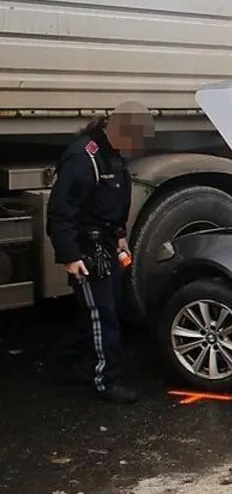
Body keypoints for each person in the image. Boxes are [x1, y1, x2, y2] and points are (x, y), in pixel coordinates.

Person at [48, 102, 156, 403]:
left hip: (107, 244)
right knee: (102, 314)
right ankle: (106, 380)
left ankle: (70, 361)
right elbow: (60, 213)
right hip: (86, 250)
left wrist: (120, 238)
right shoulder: (83, 159)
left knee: (102, 309)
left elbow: (113, 205)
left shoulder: (114, 157)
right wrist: (70, 256)